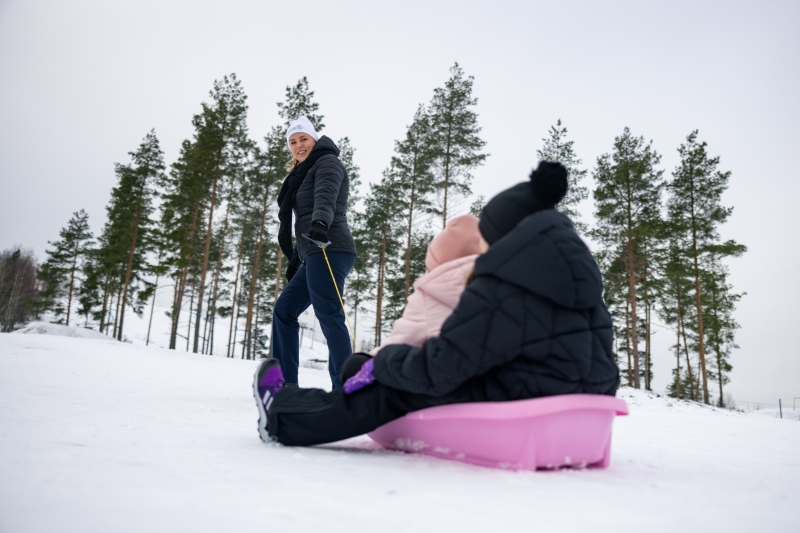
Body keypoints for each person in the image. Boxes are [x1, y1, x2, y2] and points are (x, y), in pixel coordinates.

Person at [254, 161, 620, 446]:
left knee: (392, 392)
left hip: (527, 413)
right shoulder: (580, 280)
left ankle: (283, 415)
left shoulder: (504, 287)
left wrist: (383, 364)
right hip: (583, 415)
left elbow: (442, 366)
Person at [339, 215, 485, 380]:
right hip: (485, 385)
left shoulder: (431, 294)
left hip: (437, 384)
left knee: (354, 366)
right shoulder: (497, 290)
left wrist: (368, 360)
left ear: (437, 262)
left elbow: (401, 341)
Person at [272, 116, 356, 390]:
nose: (298, 145)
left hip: (330, 246)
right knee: (284, 310)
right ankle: (286, 384)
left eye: (303, 139)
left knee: (329, 313)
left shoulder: (327, 162)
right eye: (293, 142)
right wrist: (299, 255)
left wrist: (320, 223)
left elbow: (326, 195)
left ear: (314, 139)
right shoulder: (302, 173)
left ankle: (345, 388)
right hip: (314, 251)